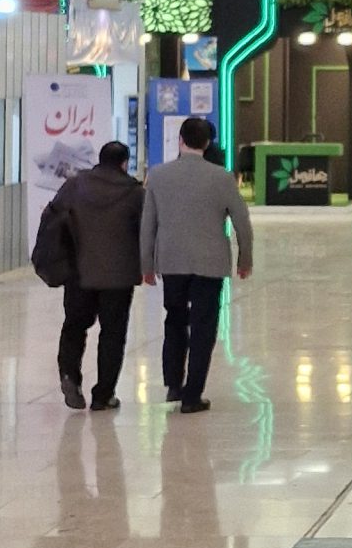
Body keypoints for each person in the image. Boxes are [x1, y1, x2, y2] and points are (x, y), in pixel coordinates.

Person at [141, 114, 253, 414]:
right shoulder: (222, 178)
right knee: (204, 326)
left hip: (172, 261)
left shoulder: (158, 175)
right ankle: (193, 394)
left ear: (180, 140)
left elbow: (148, 224)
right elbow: (242, 221)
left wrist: (147, 265)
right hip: (210, 262)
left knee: (174, 319)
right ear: (206, 143)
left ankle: (173, 384)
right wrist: (245, 258)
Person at [35, 139, 144, 412]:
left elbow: (53, 217)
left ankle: (70, 375)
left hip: (79, 272)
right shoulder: (134, 192)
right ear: (124, 163)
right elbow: (144, 231)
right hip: (118, 276)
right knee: (112, 334)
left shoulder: (74, 185)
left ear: (100, 160)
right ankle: (103, 395)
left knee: (75, 326)